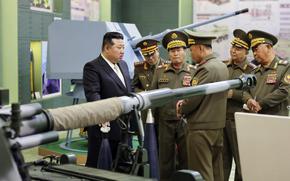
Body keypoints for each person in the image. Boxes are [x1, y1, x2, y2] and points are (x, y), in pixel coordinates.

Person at [176, 29, 229, 181]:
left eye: (192, 50)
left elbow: (193, 98)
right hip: (217, 127)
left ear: (200, 48)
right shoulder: (221, 66)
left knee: (202, 172)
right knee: (217, 170)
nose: (190, 54)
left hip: (201, 129)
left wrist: (181, 107)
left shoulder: (205, 69)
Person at [82, 32, 132, 168]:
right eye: (119, 48)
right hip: (104, 128)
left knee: (122, 166)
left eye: (123, 48)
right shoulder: (92, 67)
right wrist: (103, 116)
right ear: (107, 48)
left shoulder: (124, 65)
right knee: (99, 167)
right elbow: (93, 96)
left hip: (124, 127)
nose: (122, 51)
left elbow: (128, 91)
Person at [150, 31, 195, 181]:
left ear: (185, 51)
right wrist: (150, 124)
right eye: (172, 51)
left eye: (178, 50)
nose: (175, 53)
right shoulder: (160, 71)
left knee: (186, 159)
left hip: (186, 123)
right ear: (168, 53)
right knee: (165, 160)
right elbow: (152, 98)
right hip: (165, 122)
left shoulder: (194, 72)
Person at [223, 29, 255, 181]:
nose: (233, 51)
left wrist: (233, 94)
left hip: (239, 121)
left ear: (246, 52)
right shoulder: (224, 67)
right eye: (232, 47)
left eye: (238, 48)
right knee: (222, 162)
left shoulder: (251, 71)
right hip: (221, 119)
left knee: (241, 164)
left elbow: (254, 96)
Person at [243, 30, 289, 116]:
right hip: (255, 117)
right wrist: (248, 100)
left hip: (276, 118)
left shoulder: (285, 68)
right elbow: (245, 90)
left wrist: (260, 104)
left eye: (256, 49)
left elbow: (284, 91)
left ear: (268, 47)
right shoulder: (254, 71)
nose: (254, 54)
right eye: (253, 51)